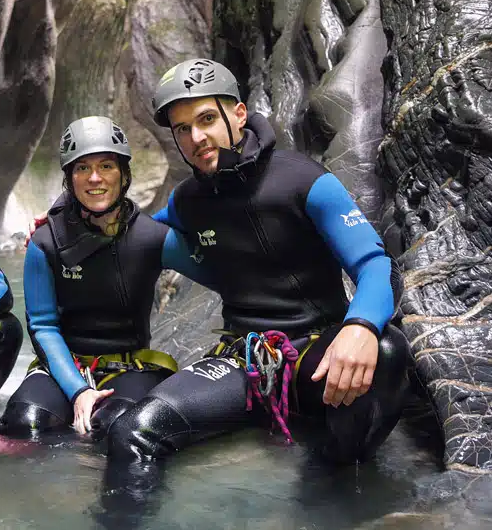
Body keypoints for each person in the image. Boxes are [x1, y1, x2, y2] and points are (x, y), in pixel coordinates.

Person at [107, 59, 410, 463]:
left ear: (238, 115)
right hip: (242, 361)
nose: (197, 137)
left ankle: (332, 492)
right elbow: (133, 233)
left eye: (207, 118)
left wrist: (360, 326)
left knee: (387, 349)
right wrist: (69, 220)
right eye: (183, 128)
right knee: (132, 434)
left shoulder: (303, 180)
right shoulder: (188, 201)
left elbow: (375, 264)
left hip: (316, 353)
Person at [0, 116, 212, 439]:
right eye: (82, 168)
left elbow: (221, 274)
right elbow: (42, 326)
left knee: (116, 425)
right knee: (24, 423)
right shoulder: (45, 243)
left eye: (106, 166)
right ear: (69, 179)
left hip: (131, 367)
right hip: (64, 367)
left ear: (124, 174)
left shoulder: (153, 237)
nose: (94, 178)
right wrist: (78, 391)